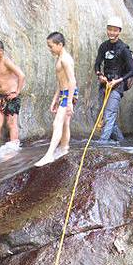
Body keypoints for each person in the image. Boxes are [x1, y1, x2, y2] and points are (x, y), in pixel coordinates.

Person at [35, 32, 78, 167]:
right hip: (64, 93)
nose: (50, 49)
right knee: (65, 123)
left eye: (51, 46)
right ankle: (64, 148)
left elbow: (72, 81)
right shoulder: (59, 57)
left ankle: (49, 155)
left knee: (57, 123)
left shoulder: (65, 59)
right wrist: (55, 99)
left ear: (60, 44)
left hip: (68, 94)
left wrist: (69, 101)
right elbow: (61, 82)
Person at [94, 16, 133, 144]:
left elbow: (132, 70)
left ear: (119, 31)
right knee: (105, 116)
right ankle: (122, 142)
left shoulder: (124, 49)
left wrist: (118, 81)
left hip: (117, 86)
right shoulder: (103, 46)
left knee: (109, 115)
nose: (112, 33)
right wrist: (100, 75)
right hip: (105, 85)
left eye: (115, 30)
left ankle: (102, 143)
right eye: (110, 30)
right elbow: (97, 64)